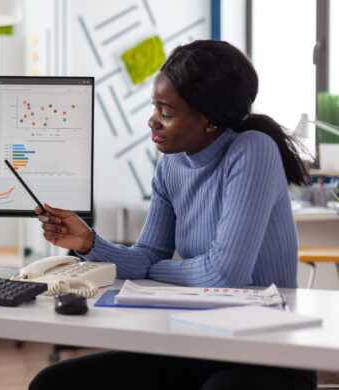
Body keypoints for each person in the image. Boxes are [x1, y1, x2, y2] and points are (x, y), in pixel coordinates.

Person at [29, 40, 316, 389]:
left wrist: (153, 270)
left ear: (210, 119)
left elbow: (224, 274)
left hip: (267, 353)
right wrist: (89, 242)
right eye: (155, 107)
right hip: (196, 342)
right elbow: (148, 256)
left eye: (166, 112)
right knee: (55, 383)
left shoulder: (253, 150)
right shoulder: (171, 165)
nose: (153, 121)